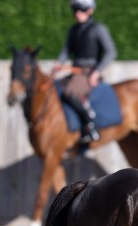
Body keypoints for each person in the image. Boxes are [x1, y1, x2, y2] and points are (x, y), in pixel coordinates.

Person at [53, 0, 117, 148]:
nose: (77, 13)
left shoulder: (98, 29)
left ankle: (91, 125)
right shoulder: (73, 30)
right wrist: (58, 63)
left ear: (90, 11)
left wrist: (97, 71)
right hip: (74, 71)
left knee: (71, 93)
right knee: (54, 88)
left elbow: (111, 52)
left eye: (81, 9)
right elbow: (66, 51)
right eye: (75, 10)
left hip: (88, 73)